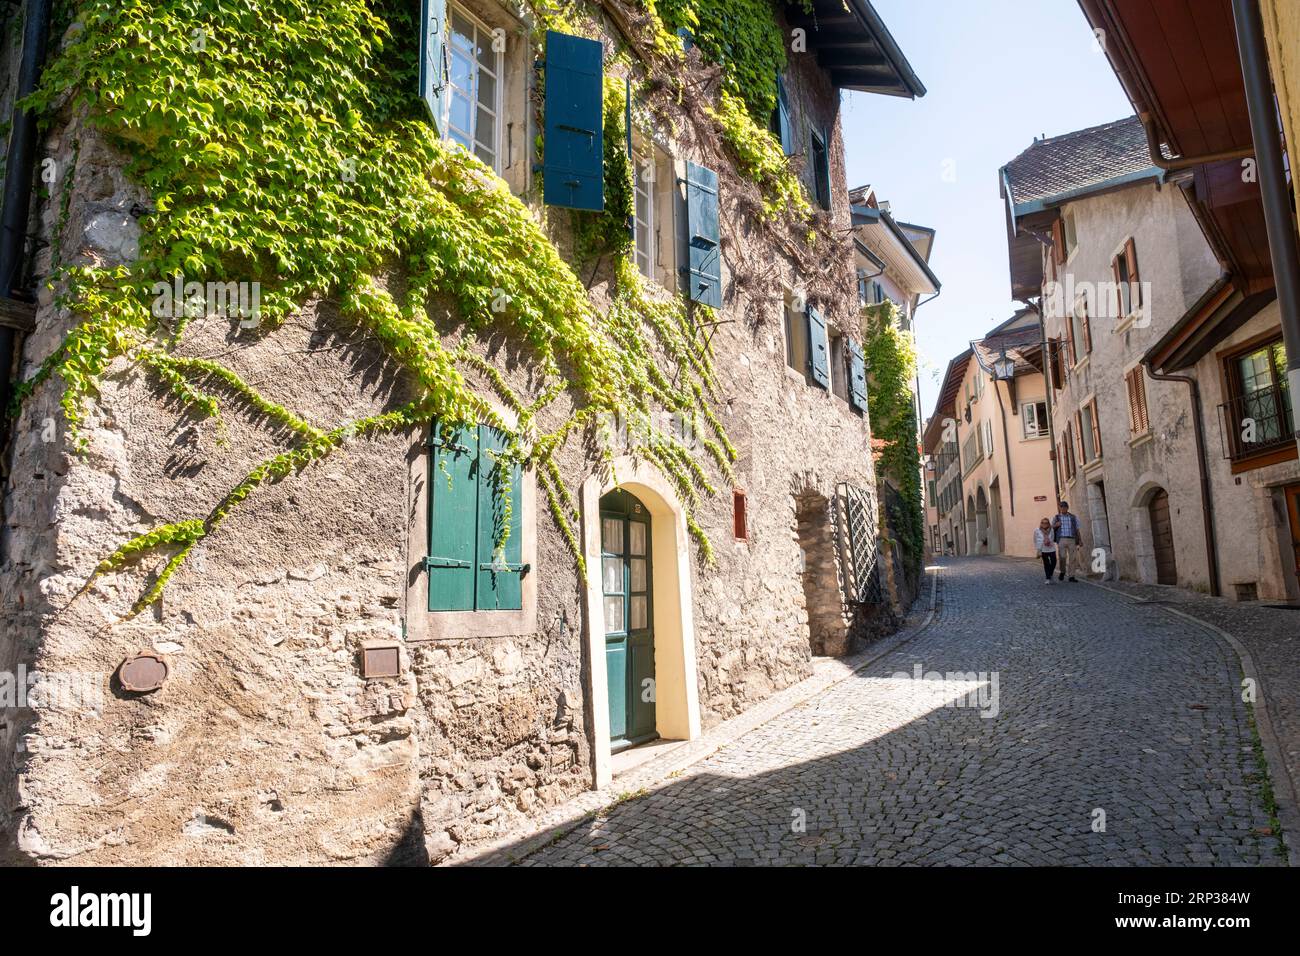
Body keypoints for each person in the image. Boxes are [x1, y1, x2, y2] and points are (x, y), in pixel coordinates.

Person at [1052, 500, 1084, 582]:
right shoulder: (1056, 517)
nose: (1063, 508)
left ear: (1067, 508)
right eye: (1061, 507)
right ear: (1059, 508)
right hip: (1061, 539)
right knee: (1062, 557)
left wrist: (1080, 540)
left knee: (1073, 558)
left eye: (1065, 507)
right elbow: (1051, 528)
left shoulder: (1073, 517)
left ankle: (1071, 576)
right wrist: (1056, 525)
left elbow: (1077, 529)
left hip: (1072, 539)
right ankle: (1062, 571)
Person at [1034, 517, 1057, 584]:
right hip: (1043, 549)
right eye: (1043, 523)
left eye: (1046, 523)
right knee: (1046, 564)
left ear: (1048, 523)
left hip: (1051, 548)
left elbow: (1052, 538)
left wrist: (1049, 542)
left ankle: (1050, 574)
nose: (1044, 524)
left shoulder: (1051, 530)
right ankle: (1048, 578)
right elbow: (1035, 540)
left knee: (1054, 561)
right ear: (1041, 523)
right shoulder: (1037, 530)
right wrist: (1038, 549)